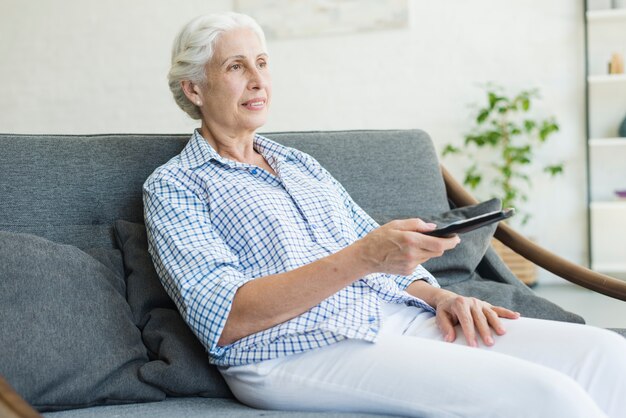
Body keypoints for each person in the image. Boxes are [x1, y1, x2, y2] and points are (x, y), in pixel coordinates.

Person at [143, 12, 626, 418]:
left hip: (390, 314)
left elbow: (375, 250)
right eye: (236, 66)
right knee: (549, 397)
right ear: (195, 89)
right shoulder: (175, 186)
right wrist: (363, 258)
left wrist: (436, 296)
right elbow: (225, 319)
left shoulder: (297, 162)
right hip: (294, 347)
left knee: (608, 355)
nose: (258, 79)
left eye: (263, 62)